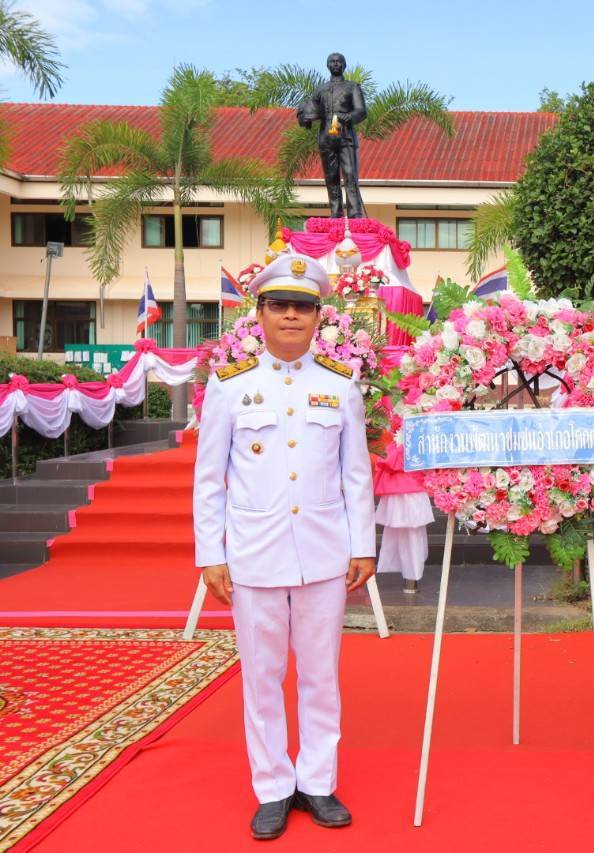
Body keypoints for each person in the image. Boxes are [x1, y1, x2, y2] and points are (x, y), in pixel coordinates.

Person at [193, 253, 376, 840]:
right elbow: (209, 478)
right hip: (254, 555)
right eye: (280, 305)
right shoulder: (229, 388)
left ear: (319, 316)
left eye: (303, 306)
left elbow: (356, 475)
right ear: (261, 313)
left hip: (324, 554)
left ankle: (318, 782)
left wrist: (363, 545)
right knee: (261, 677)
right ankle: (272, 786)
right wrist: (210, 554)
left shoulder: (341, 385)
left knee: (321, 675)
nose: (292, 316)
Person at [297, 52, 367, 218]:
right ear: (328, 65)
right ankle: (336, 212)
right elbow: (311, 110)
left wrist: (348, 117)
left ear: (344, 65)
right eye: (332, 62)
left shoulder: (352, 87)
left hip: (346, 136)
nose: (335, 64)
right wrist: (304, 119)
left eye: (338, 61)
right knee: (331, 177)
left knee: (350, 175)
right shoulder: (320, 89)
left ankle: (355, 213)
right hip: (326, 138)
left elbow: (362, 111)